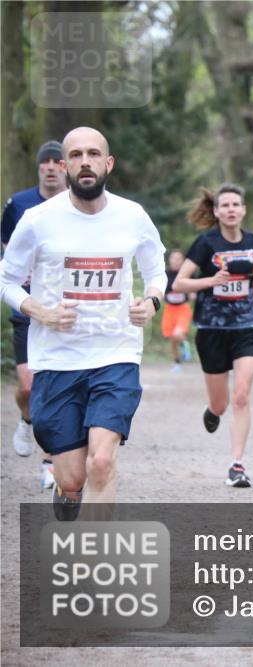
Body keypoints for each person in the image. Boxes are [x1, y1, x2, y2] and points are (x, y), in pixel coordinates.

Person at [0, 127, 166, 520]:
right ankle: (67, 488)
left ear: (108, 164)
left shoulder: (132, 216)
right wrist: (38, 311)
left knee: (102, 462)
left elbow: (156, 270)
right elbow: (6, 280)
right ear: (64, 165)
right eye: (75, 155)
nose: (84, 161)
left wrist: (152, 301)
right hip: (58, 360)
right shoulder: (37, 220)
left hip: (116, 353)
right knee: (73, 476)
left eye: (93, 154)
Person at [171, 183, 253, 488]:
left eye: (235, 205)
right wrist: (212, 281)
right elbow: (180, 284)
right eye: (224, 205)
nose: (230, 210)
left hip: (246, 327)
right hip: (212, 329)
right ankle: (213, 411)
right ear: (216, 211)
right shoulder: (205, 243)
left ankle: (237, 464)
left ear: (243, 210)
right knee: (222, 403)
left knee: (242, 394)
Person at [1, 140, 67, 489]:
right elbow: (7, 251)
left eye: (58, 161)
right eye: (46, 162)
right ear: (39, 167)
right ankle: (26, 421)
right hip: (28, 308)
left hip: (63, 309)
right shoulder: (19, 205)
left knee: (54, 386)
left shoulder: (79, 204)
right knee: (27, 386)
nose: (52, 167)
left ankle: (50, 463)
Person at [161, 249, 193, 372]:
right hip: (169, 309)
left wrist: (192, 292)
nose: (175, 261)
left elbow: (193, 291)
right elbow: (160, 291)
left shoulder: (186, 275)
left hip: (183, 308)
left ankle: (185, 345)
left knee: (177, 334)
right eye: (173, 258)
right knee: (172, 340)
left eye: (178, 259)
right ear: (169, 260)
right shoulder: (164, 275)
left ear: (183, 261)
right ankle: (177, 363)